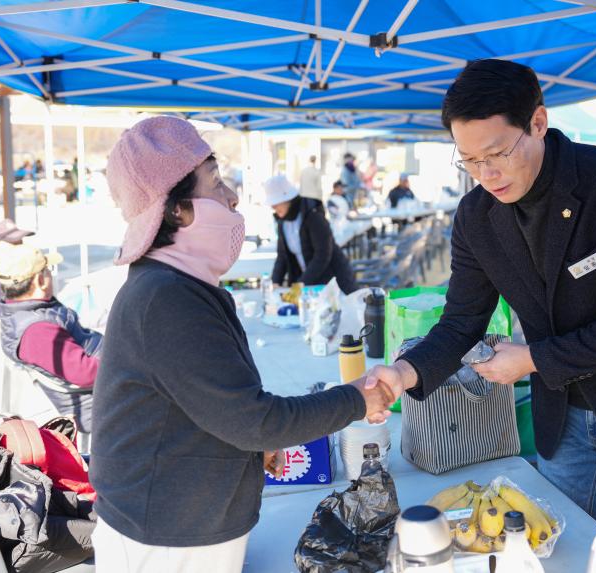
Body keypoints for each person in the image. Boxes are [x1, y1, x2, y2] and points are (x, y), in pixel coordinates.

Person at [364, 59, 596, 573]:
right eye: (470, 161)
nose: (486, 174)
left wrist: (534, 360)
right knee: (547, 553)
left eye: (497, 154)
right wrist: (404, 371)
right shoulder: (476, 216)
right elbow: (461, 322)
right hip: (562, 413)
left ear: (538, 123)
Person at [89, 116, 394, 572]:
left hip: (178, 521)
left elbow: (212, 408)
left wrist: (250, 446)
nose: (232, 197)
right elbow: (255, 420)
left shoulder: (173, 285)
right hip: (165, 539)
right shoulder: (165, 297)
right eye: (215, 182)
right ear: (177, 209)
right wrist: (357, 398)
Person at [0, 243, 100, 432]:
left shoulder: (30, 311)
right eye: (47, 270)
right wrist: (127, 355)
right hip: (95, 403)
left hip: (103, 384)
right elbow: (86, 373)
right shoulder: (38, 332)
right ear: (40, 281)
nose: (51, 274)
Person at [266, 174, 358, 294]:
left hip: (334, 281)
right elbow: (282, 256)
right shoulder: (282, 222)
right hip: (309, 285)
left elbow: (323, 254)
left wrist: (301, 284)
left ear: (288, 200)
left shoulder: (313, 215)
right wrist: (275, 282)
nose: (274, 207)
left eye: (276, 203)